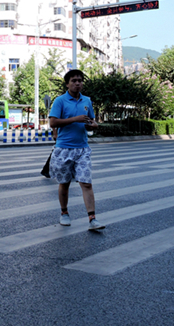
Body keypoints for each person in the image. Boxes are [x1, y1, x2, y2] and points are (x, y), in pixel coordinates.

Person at [48, 69, 104, 230]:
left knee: (86, 183)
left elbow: (92, 121)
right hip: (63, 148)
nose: (77, 83)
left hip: (83, 149)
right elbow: (53, 123)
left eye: (80, 80)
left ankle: (92, 218)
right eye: (74, 80)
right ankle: (64, 213)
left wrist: (93, 125)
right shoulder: (60, 101)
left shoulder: (87, 101)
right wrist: (75, 119)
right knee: (64, 183)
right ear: (67, 83)